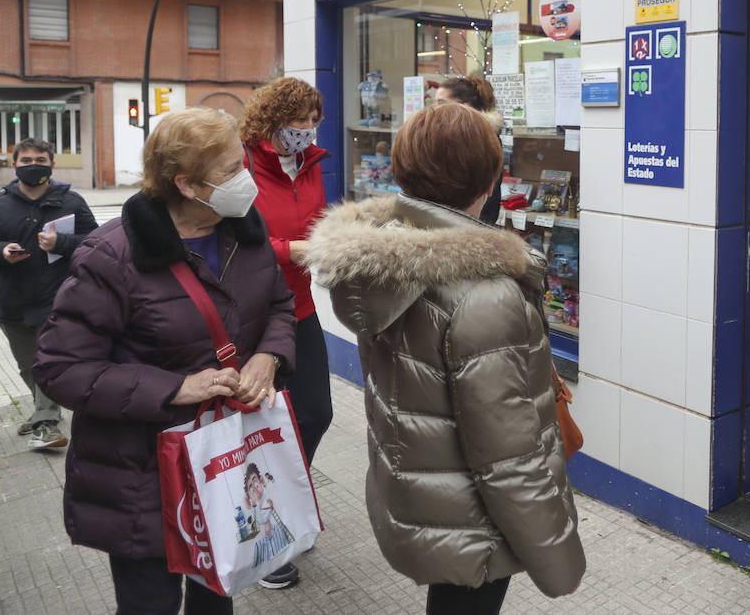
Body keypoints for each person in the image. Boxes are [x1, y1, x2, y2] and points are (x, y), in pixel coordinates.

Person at [301, 103, 585, 614]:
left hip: (428, 497)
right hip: (478, 521)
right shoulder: (484, 296)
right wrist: (559, 559)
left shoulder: (385, 262)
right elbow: (508, 456)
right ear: (488, 179)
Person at [33, 107, 296, 615]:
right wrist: (175, 388)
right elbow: (59, 368)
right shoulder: (111, 255)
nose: (246, 179)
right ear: (187, 184)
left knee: (217, 597)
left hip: (226, 463)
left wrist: (268, 356)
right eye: (230, 171)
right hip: (140, 475)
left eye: (243, 163)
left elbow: (280, 306)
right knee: (149, 605)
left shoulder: (243, 230)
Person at [239, 76, 333, 591]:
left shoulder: (312, 163)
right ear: (271, 122)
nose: (306, 131)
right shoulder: (243, 165)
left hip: (299, 306)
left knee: (316, 412)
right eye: (297, 124)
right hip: (249, 316)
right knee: (258, 425)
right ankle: (265, 536)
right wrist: (290, 251)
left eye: (312, 122)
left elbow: (315, 222)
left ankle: (290, 502)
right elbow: (236, 238)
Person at [0, 137, 97, 450]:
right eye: (26, 160)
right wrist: (0, 251)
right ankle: (44, 410)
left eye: (40, 159)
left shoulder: (71, 201)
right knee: (28, 366)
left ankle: (45, 424)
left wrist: (62, 245)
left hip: (60, 298)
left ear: (52, 164)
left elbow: (96, 240)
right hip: (12, 300)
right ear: (15, 165)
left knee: (48, 363)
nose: (33, 165)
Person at [434, 74, 504, 224]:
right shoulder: (447, 135)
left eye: (442, 103)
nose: (436, 109)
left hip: (470, 225)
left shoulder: (480, 138)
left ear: (464, 105)